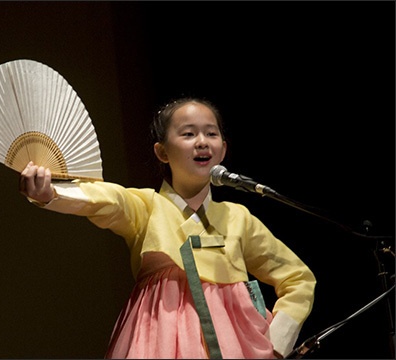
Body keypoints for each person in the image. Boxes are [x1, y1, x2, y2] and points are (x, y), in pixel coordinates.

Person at [19, 97, 316, 359]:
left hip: (239, 345)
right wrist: (51, 193)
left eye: (211, 133)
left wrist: (277, 342)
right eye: (188, 134)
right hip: (159, 338)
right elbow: (110, 199)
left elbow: (299, 279)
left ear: (223, 150)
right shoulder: (147, 207)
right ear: (162, 152)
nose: (202, 141)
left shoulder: (239, 218)